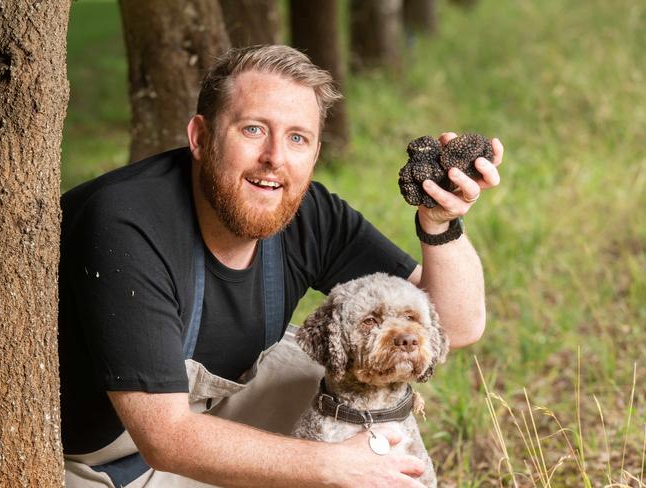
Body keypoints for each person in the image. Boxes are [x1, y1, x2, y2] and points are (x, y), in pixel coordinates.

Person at [59, 45, 503, 488]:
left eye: (297, 138)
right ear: (199, 137)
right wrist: (334, 466)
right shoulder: (126, 225)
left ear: (314, 152)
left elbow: (456, 326)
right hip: (98, 465)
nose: (275, 157)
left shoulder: (303, 211)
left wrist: (440, 223)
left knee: (338, 373)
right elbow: (166, 437)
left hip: (208, 425)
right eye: (252, 129)